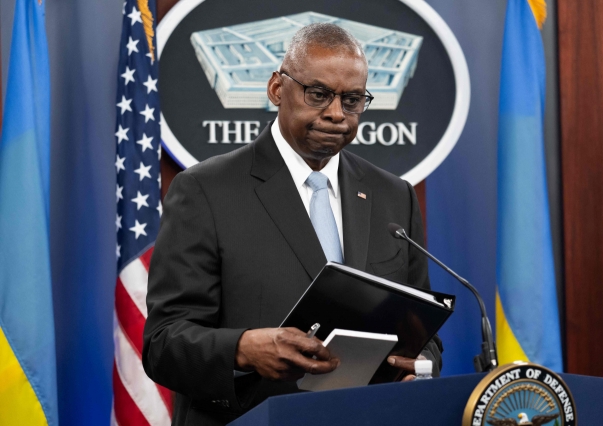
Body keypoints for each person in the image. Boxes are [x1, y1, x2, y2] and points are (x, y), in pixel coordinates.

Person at [143, 23, 443, 426]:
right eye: (318, 94)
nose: (336, 113)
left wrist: (420, 366)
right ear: (277, 89)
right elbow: (163, 344)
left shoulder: (394, 196)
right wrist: (243, 349)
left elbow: (424, 336)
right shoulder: (205, 190)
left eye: (352, 100)